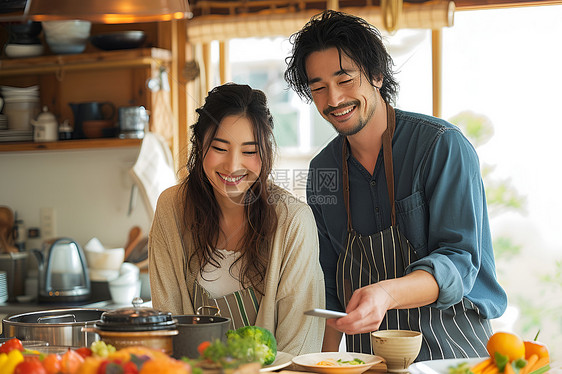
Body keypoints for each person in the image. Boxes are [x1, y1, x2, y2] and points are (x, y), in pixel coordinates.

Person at [284, 10, 507, 360]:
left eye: (345, 80)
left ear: (376, 74)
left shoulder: (440, 146)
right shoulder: (322, 170)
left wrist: (387, 294)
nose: (334, 100)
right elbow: (327, 285)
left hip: (451, 356)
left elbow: (460, 260)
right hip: (367, 362)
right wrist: (322, 364)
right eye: (319, 88)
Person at [149, 83, 325, 356]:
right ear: (200, 145)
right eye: (220, 148)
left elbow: (298, 350)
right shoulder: (171, 208)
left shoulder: (293, 222)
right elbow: (164, 329)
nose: (233, 166)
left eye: (249, 151)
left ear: (265, 153)